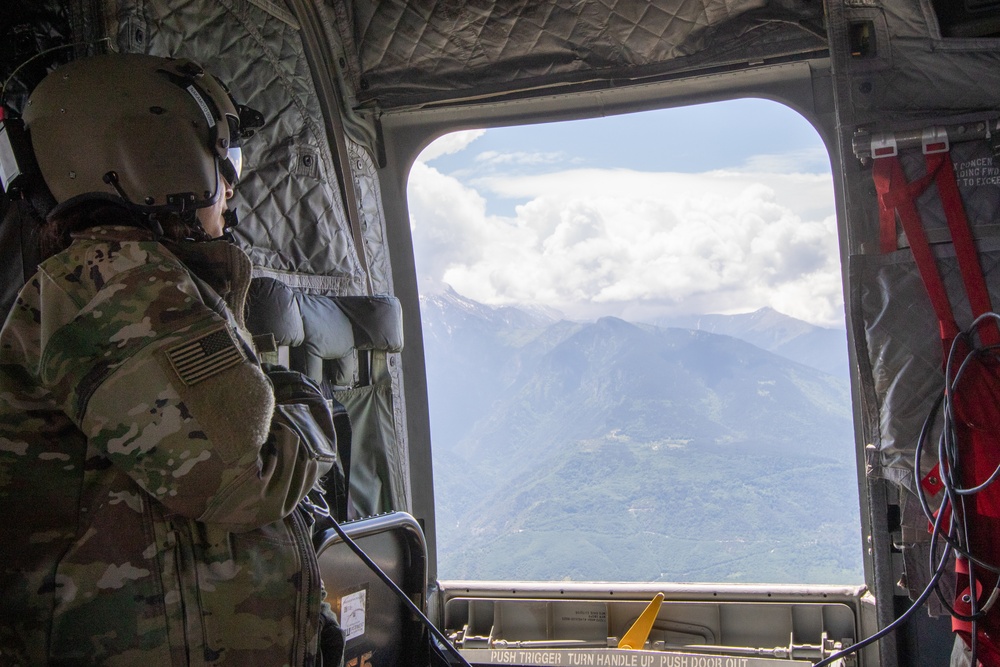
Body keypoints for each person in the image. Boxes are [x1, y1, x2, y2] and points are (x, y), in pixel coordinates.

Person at [0, 53, 345, 665]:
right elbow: (245, 480)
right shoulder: (116, 282)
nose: (232, 186)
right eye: (225, 159)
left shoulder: (141, 283)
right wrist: (306, 408)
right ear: (153, 155)